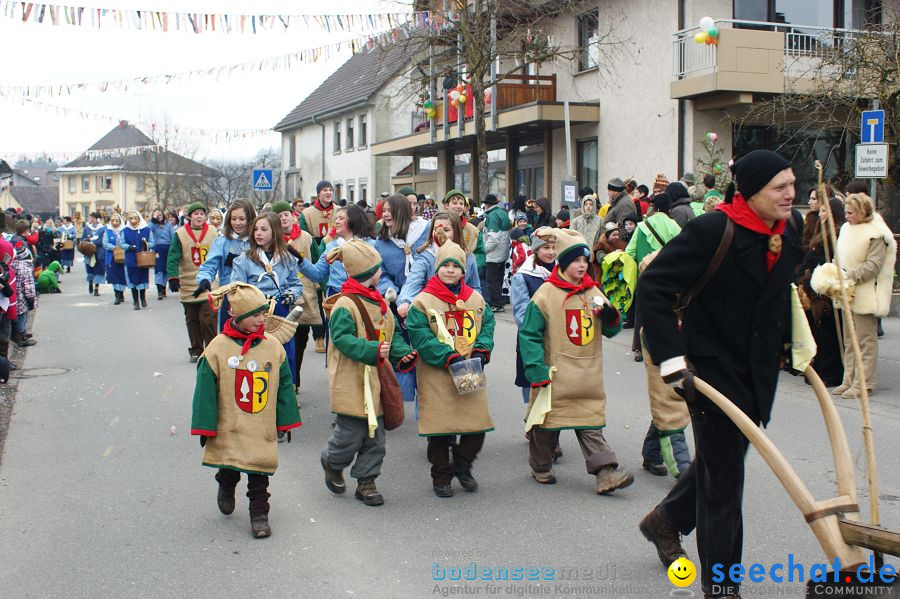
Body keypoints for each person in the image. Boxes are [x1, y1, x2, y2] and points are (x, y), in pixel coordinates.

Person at [637, 149, 805, 599]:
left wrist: (797, 344)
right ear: (751, 192)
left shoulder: (790, 228)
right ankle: (722, 588)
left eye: (793, 184)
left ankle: (665, 520)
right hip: (710, 372)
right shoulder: (713, 230)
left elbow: (777, 293)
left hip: (757, 373)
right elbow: (654, 286)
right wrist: (671, 358)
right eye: (780, 187)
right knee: (725, 483)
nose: (792, 194)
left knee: (721, 463)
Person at [518, 228, 633, 494]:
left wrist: (611, 316)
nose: (582, 265)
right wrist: (536, 368)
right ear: (563, 263)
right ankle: (541, 466)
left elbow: (611, 330)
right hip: (555, 373)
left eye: (585, 260)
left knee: (589, 422)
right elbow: (529, 334)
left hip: (587, 375)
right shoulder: (545, 295)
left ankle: (606, 475)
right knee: (546, 424)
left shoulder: (593, 291)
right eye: (576, 261)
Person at [191, 282, 301, 538]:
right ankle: (226, 485)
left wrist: (285, 419)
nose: (261, 318)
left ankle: (259, 514)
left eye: (263, 313)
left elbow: (284, 385)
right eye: (254, 314)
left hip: (260, 425)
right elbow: (205, 390)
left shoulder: (273, 347)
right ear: (236, 315)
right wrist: (204, 425)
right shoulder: (218, 348)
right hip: (230, 422)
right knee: (230, 462)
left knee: (259, 471)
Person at [319, 240, 417, 507]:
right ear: (368, 271)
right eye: (378, 268)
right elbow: (341, 339)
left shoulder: (381, 303)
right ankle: (332, 461)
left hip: (376, 380)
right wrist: (373, 349)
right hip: (351, 379)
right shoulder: (344, 305)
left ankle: (367, 481)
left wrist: (400, 351)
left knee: (376, 438)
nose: (380, 272)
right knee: (349, 434)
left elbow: (390, 333)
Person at [406, 241, 495, 497]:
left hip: (468, 368)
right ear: (437, 269)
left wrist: (481, 349)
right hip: (438, 373)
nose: (450, 270)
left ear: (463, 271)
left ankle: (462, 464)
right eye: (444, 265)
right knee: (440, 429)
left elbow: (487, 325)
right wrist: (446, 356)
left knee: (476, 423)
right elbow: (420, 334)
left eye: (455, 266)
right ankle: (441, 475)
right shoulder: (424, 301)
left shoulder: (475, 299)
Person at [831, 193, 896, 399]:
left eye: (850, 212)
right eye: (846, 212)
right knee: (849, 340)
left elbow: (873, 265)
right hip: (846, 292)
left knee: (865, 341)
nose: (847, 216)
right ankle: (849, 379)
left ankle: (865, 383)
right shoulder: (845, 229)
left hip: (865, 294)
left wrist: (848, 275)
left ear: (862, 211)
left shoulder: (875, 234)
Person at [230, 212, 303, 387]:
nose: (258, 233)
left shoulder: (288, 259)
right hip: (254, 314)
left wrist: (291, 294)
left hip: (280, 313)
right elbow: (236, 288)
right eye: (255, 229)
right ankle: (258, 389)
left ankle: (286, 391)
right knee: (256, 352)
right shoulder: (244, 259)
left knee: (284, 352)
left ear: (275, 231)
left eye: (264, 229)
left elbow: (296, 284)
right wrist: (257, 298)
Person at [373, 194, 430, 403]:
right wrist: (391, 291)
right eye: (383, 210)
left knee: (426, 347)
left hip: (426, 300)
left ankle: (429, 396)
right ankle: (404, 397)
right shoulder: (382, 241)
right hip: (397, 304)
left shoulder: (426, 231)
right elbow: (382, 273)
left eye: (389, 210)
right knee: (404, 349)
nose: (385, 214)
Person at [271, 200, 324, 384]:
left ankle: (295, 381)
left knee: (299, 343)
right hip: (283, 296)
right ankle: (286, 382)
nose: (283, 218)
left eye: (286, 214)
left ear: (292, 216)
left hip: (305, 296)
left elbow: (318, 265)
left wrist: (321, 288)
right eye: (278, 216)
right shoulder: (272, 240)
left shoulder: (306, 237)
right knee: (283, 342)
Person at [396, 212, 481, 318]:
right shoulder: (426, 257)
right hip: (434, 313)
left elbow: (475, 287)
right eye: (435, 229)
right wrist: (406, 300)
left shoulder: (468, 257)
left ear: (456, 232)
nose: (439, 233)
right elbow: (413, 281)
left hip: (461, 312)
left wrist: (474, 305)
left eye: (446, 230)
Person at [167, 202, 219, 363]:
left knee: (209, 317)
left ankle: (211, 349)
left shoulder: (213, 232)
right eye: (195, 213)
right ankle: (196, 349)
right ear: (189, 216)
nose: (199, 216)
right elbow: (173, 256)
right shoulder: (180, 234)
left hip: (209, 282)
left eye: (202, 214)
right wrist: (173, 277)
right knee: (192, 319)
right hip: (188, 283)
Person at [195, 200, 257, 330]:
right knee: (229, 341)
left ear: (250, 219)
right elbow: (209, 266)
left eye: (242, 218)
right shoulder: (222, 242)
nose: (237, 223)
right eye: (234, 219)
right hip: (230, 299)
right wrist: (204, 279)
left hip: (254, 300)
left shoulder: (257, 241)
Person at [510, 230, 556, 405]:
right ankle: (532, 425)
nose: (551, 252)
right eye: (546, 247)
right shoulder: (524, 275)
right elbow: (521, 313)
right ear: (536, 250)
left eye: (553, 247)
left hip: (557, 339)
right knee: (532, 387)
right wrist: (538, 331)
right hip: (532, 341)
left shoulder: (562, 271)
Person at [442, 190, 486, 269]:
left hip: (466, 277)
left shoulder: (473, 231)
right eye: (455, 203)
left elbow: (481, 254)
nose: (458, 206)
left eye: (461, 204)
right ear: (446, 205)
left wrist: (469, 266)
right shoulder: (437, 226)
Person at [482, 194, 511, 313]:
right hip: (503, 252)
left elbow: (493, 238)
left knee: (491, 280)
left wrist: (483, 251)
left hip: (493, 254)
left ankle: (497, 304)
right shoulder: (503, 213)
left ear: (487, 205)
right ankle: (499, 302)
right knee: (498, 279)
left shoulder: (492, 216)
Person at [120, 210, 152, 310]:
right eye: (131, 218)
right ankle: (136, 301)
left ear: (139, 219)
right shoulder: (125, 230)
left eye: (135, 218)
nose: (133, 220)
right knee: (133, 279)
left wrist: (146, 244)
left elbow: (152, 242)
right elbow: (121, 243)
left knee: (142, 278)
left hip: (143, 258)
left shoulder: (146, 229)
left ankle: (142, 297)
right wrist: (128, 247)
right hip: (131, 258)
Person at [12, 242, 37, 347]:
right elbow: (29, 287)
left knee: (17, 317)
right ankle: (21, 337)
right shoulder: (26, 268)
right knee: (22, 316)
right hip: (22, 297)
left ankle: (19, 334)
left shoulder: (13, 264)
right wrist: (31, 301)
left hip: (13, 297)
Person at [299, 180, 337, 246]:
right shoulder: (306, 214)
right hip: (315, 251)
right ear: (318, 193)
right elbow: (303, 238)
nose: (329, 192)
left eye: (330, 190)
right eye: (325, 190)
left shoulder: (339, 211)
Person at [149, 209, 175, 300]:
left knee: (166, 270)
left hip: (168, 248)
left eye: (160, 215)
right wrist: (153, 219)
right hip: (158, 249)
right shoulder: (153, 225)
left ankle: (163, 288)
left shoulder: (168, 225)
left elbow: (173, 236)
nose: (159, 217)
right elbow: (148, 230)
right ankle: (159, 290)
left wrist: (173, 249)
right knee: (159, 269)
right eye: (157, 215)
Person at [103, 213, 128, 306]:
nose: (114, 222)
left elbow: (126, 242)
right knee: (114, 275)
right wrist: (114, 247)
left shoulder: (124, 231)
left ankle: (121, 292)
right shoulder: (108, 231)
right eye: (113, 220)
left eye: (117, 221)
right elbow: (105, 243)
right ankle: (117, 294)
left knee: (122, 275)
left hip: (123, 256)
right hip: (112, 256)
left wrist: (122, 247)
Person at [81, 212, 106, 297]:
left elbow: (102, 240)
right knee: (90, 269)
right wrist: (87, 241)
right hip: (89, 252)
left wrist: (93, 243)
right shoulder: (87, 228)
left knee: (99, 270)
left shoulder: (103, 229)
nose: (91, 220)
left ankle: (96, 288)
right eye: (91, 218)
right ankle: (90, 282)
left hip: (99, 252)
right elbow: (83, 238)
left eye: (93, 218)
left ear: (98, 219)